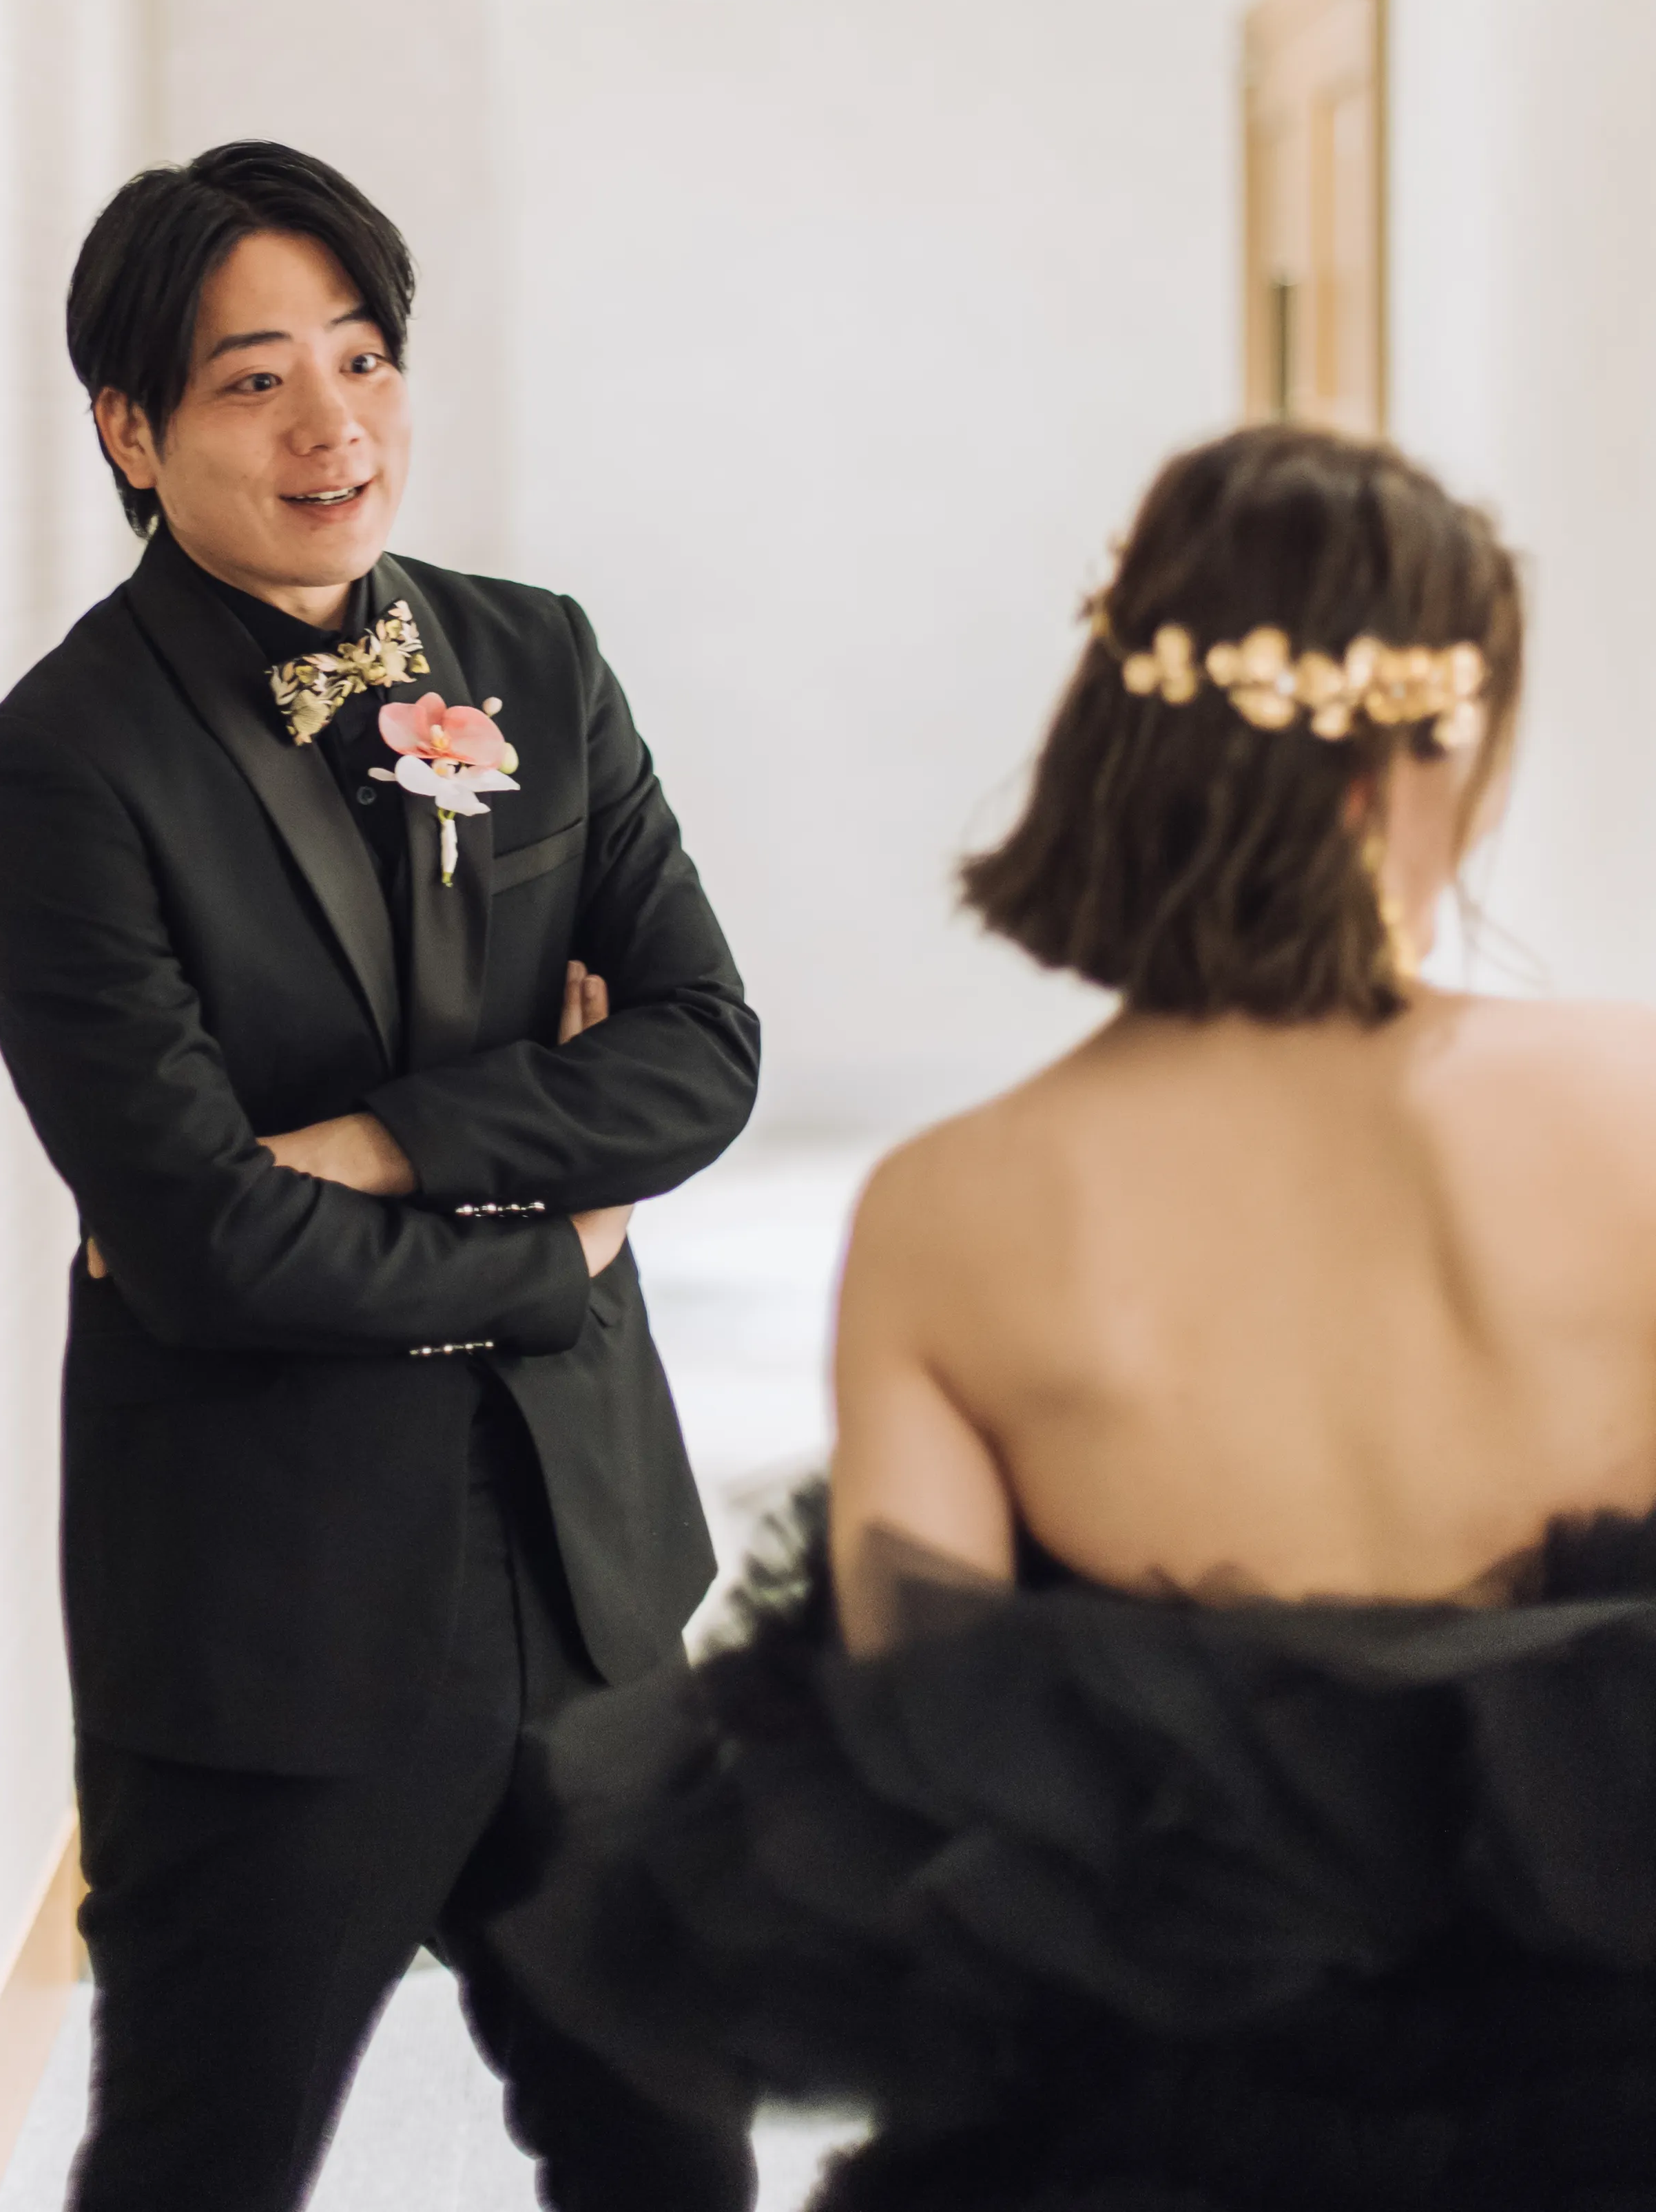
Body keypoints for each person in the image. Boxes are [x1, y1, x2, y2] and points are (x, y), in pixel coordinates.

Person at [501, 422, 1656, 2211]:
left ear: (1118, 736)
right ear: (1427, 757)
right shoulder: (1636, 1106)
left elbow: (916, 1767)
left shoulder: (951, 1211)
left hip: (1165, 2137)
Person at [0, 140, 759, 2211]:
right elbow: (206, 1240)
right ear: (131, 433)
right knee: (201, 2171)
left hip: (593, 1582)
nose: (335, 425)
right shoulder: (58, 764)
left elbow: (700, 1048)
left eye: (365, 357)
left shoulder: (540, 661)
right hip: (273, 1619)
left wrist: (393, 1141)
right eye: (254, 380)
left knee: (678, 2162)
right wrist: (561, 1241)